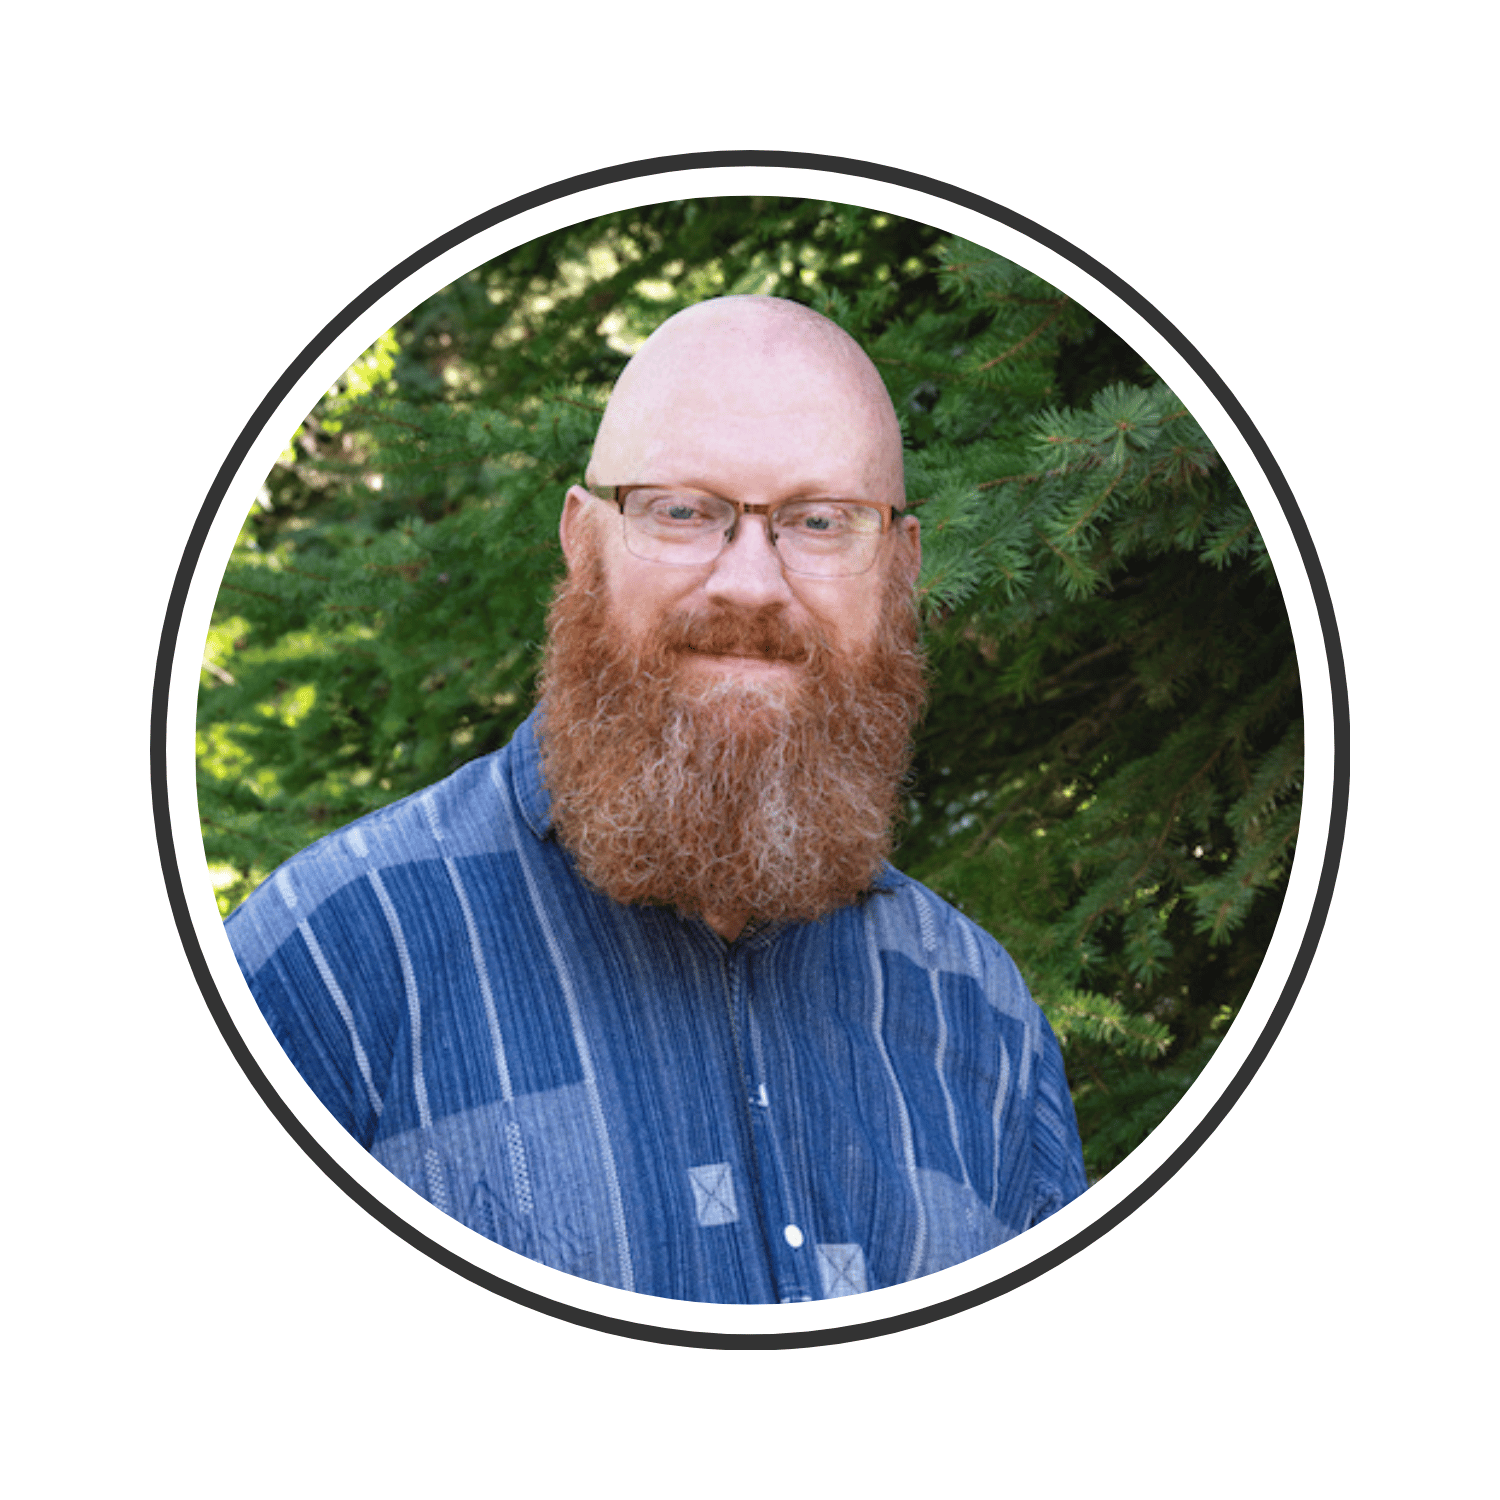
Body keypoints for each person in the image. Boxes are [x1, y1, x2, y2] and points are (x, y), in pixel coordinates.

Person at [225, 295, 1088, 1304]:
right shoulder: (332, 963)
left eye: (820, 522)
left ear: (900, 568)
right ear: (582, 540)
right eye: (682, 511)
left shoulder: (981, 1018)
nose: (751, 584)